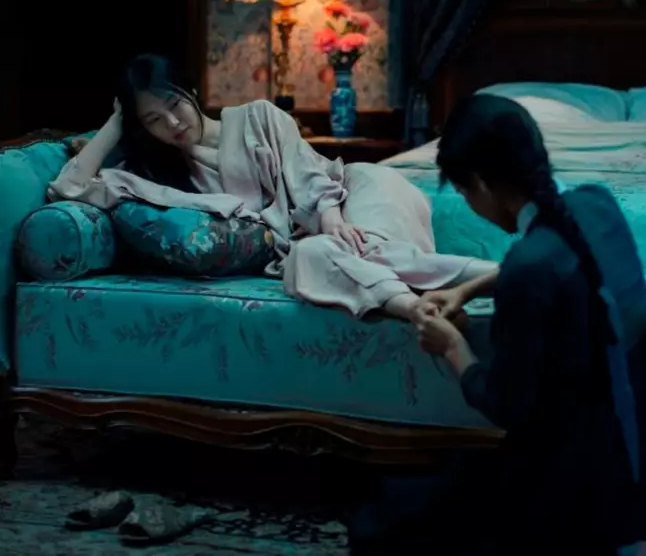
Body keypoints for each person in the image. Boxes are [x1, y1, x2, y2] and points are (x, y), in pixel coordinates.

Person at [349, 95, 645, 555]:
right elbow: (563, 257)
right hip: (629, 447)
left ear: (482, 184)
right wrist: (468, 288)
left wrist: (451, 346)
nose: (470, 204)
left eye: (465, 193)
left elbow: (506, 404)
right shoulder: (595, 202)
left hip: (574, 483)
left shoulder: (529, 270)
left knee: (380, 524)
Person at [48, 54, 497, 322]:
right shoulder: (155, 177)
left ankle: (504, 277)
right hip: (307, 242)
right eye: (152, 120)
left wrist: (332, 218)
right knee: (308, 258)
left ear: (191, 91)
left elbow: (309, 174)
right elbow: (67, 188)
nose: (172, 123)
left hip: (357, 192)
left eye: (173, 105)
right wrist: (116, 122)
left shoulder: (259, 116)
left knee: (360, 245)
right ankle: (420, 309)